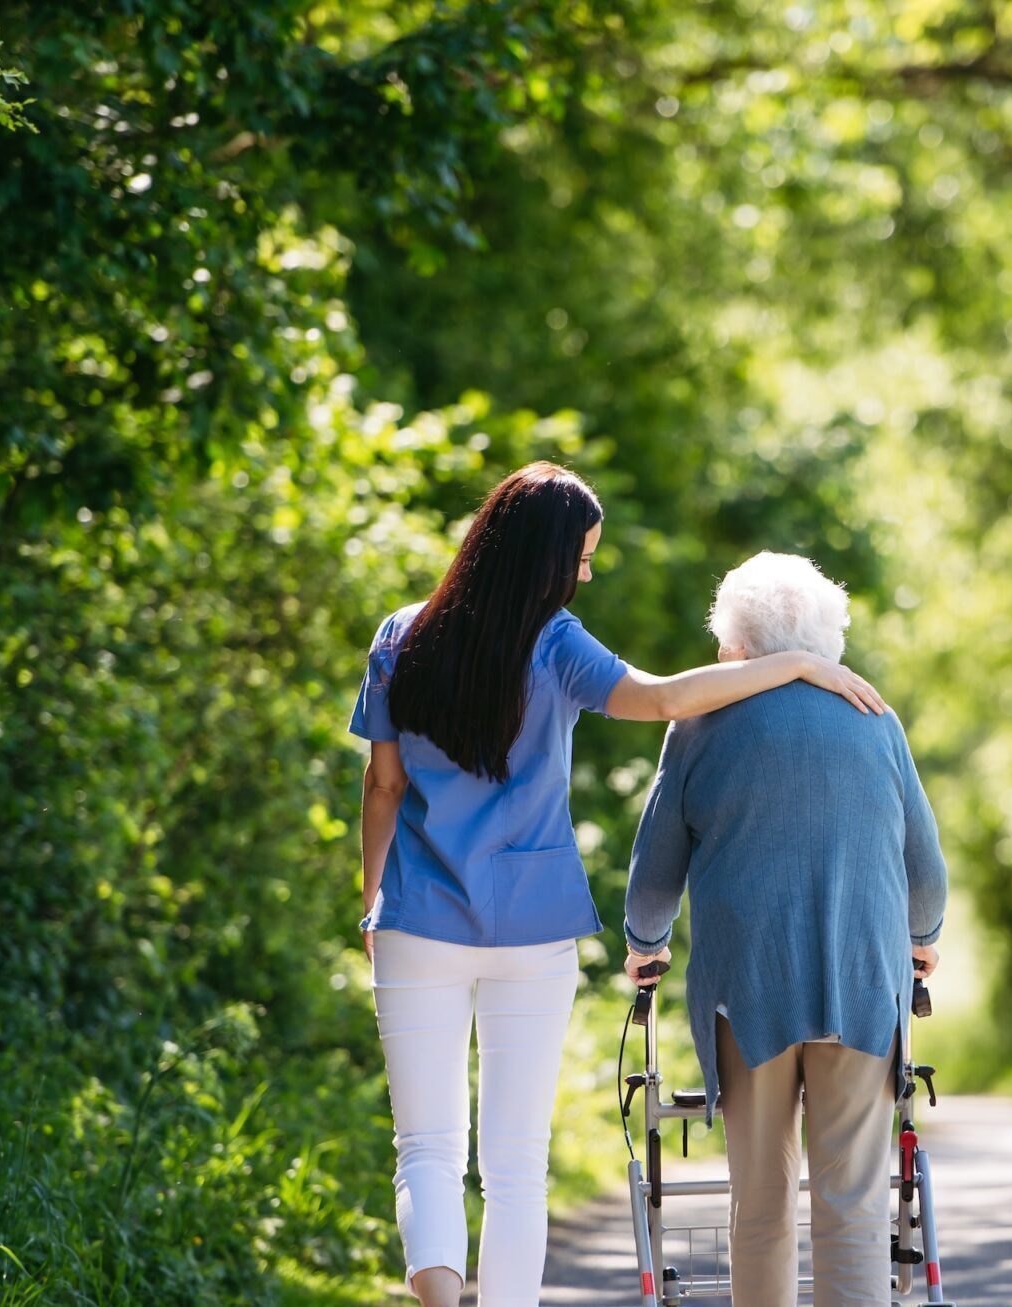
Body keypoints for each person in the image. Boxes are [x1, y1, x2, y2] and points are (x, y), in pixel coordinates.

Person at [348, 465, 887, 1307]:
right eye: (583, 557)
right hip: (531, 930)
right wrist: (795, 668)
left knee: (424, 1145)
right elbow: (667, 697)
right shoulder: (556, 642)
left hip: (417, 918)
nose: (587, 573)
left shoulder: (400, 635)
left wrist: (374, 896)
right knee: (518, 1162)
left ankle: (443, 1295)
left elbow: (382, 787)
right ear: (543, 558)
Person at [622, 550, 948, 1307]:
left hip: (750, 990)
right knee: (855, 1203)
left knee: (761, 1202)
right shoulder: (876, 718)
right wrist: (921, 936)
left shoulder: (701, 723)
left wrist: (646, 944)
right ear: (824, 633)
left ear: (737, 643)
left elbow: (654, 870)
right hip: (864, 985)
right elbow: (925, 869)